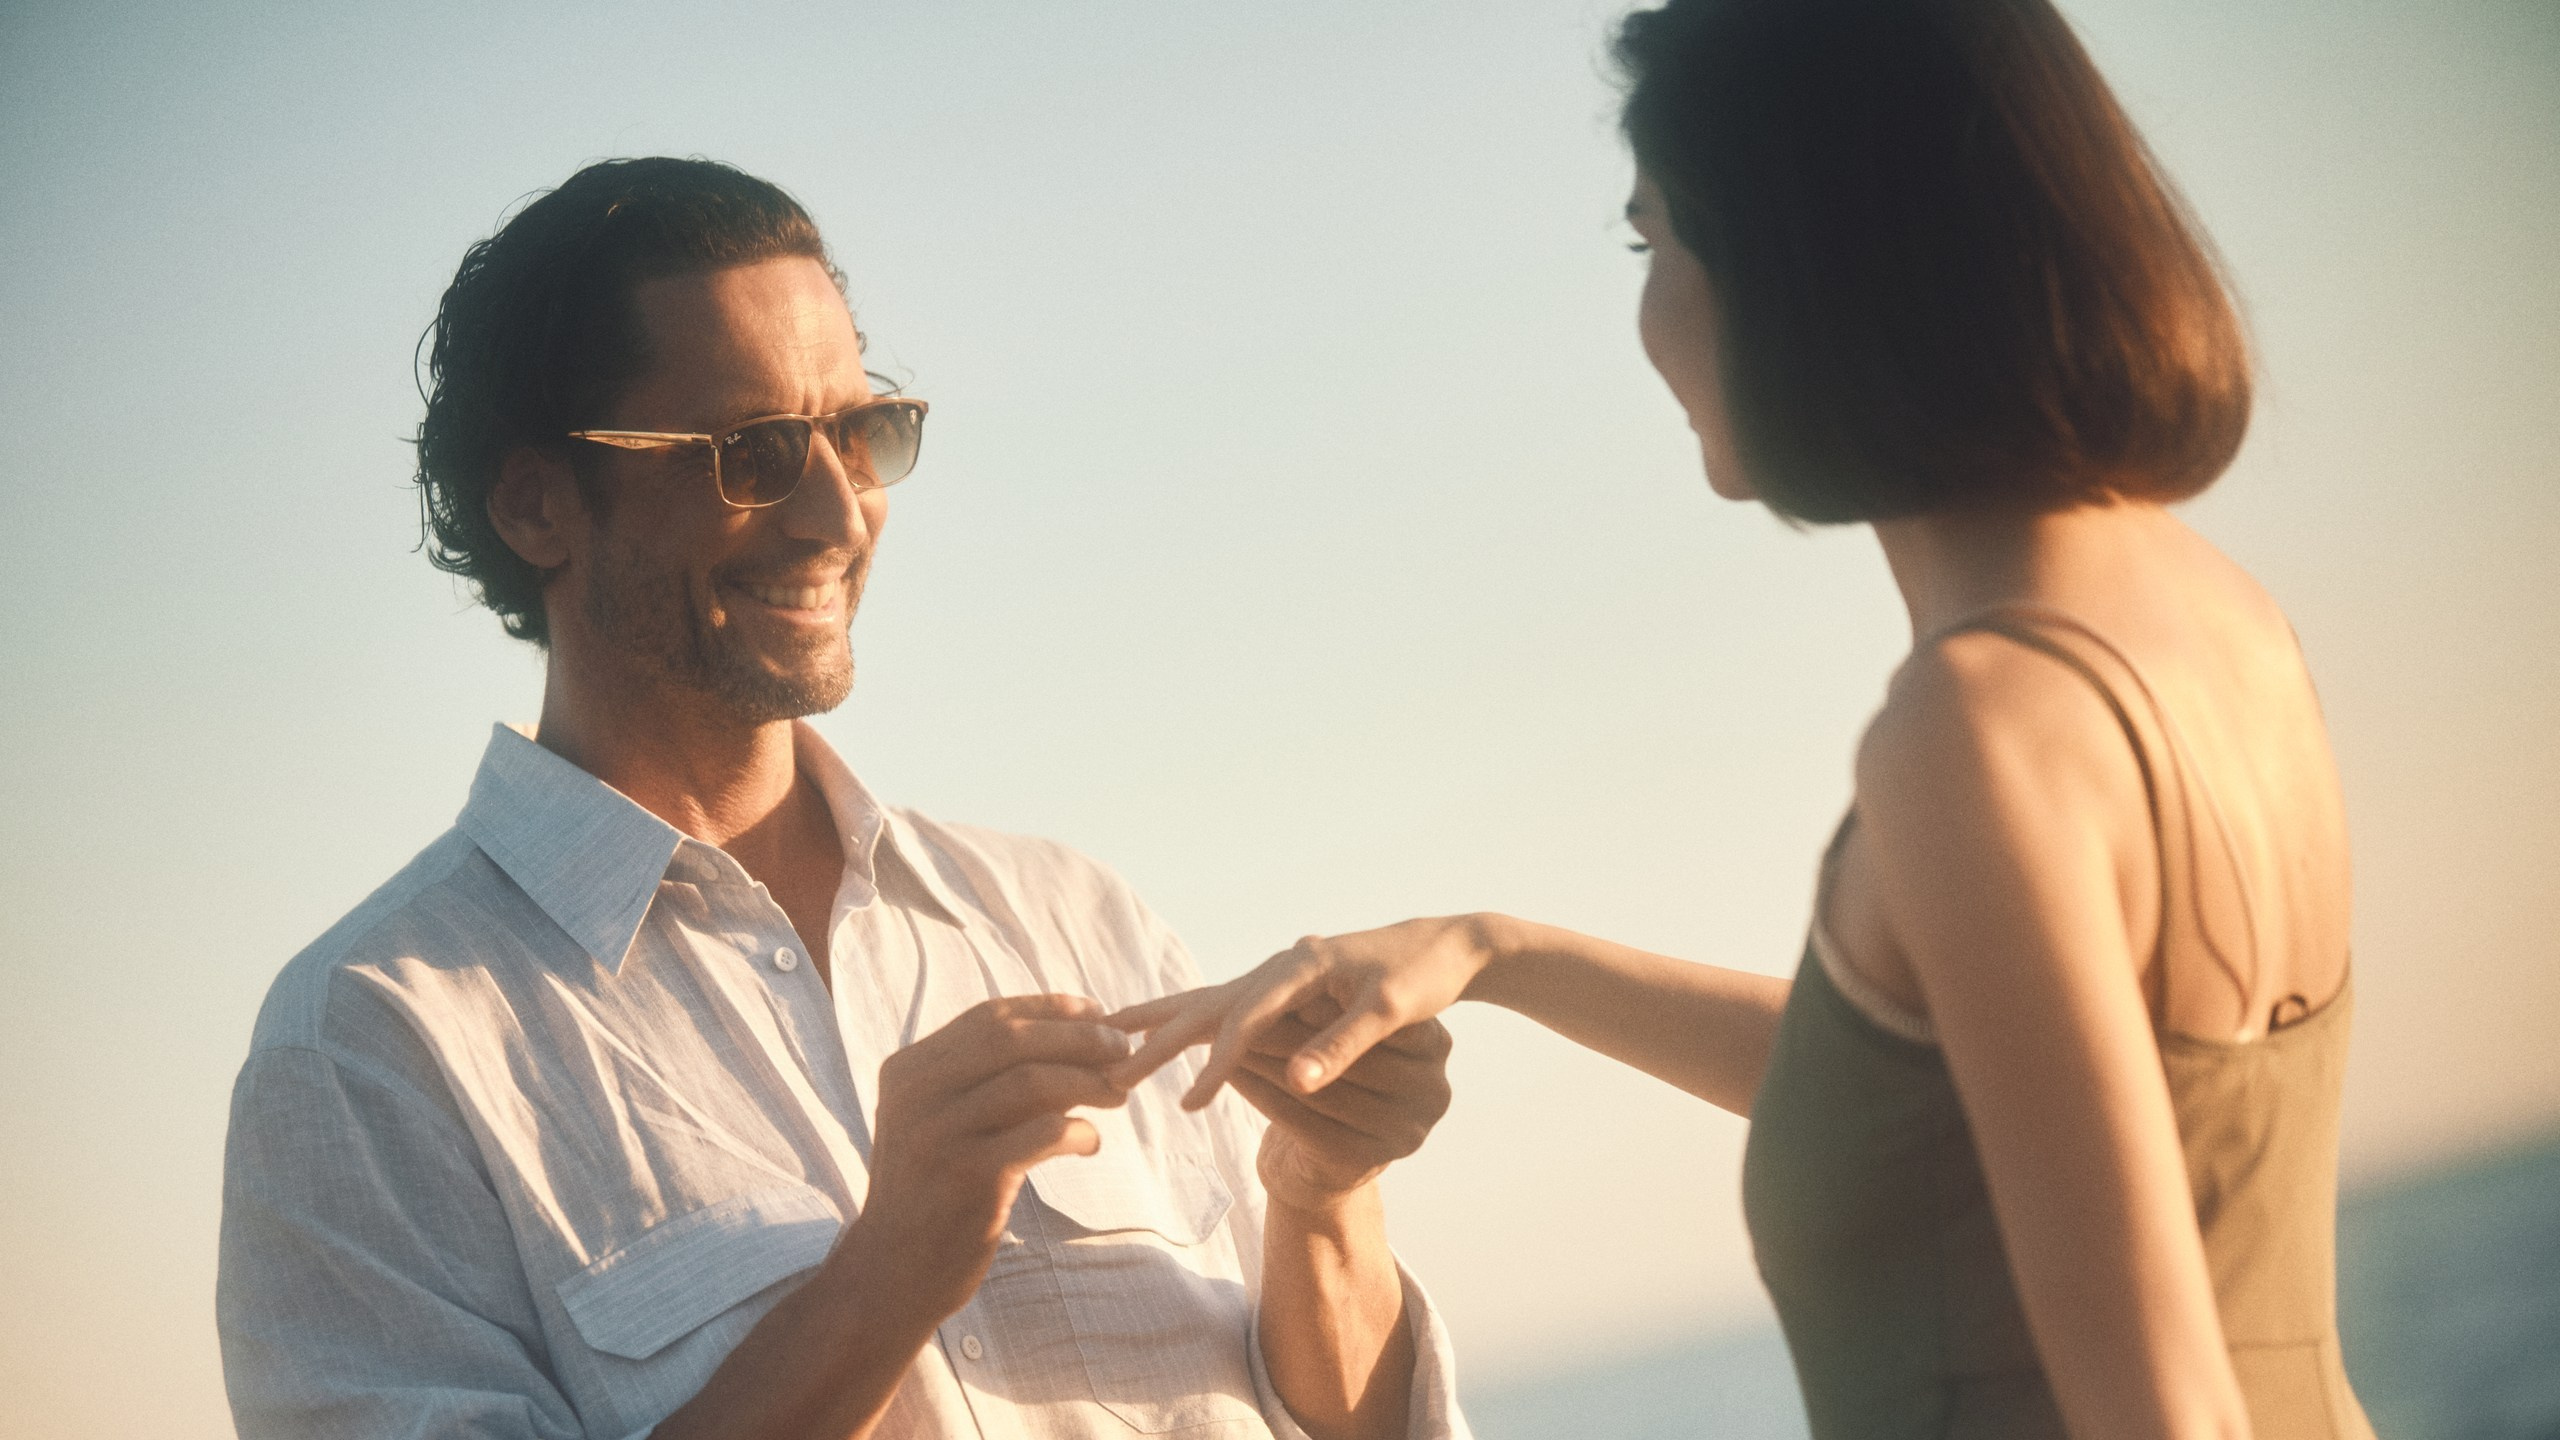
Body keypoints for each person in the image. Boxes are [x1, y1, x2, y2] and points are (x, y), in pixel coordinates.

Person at [1112, 2, 2375, 1437]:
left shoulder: (1974, 726)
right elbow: (1970, 1098)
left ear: (1806, 254)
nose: (1647, 317)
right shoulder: (2220, 620)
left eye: (1654, 245)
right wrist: (1502, 952)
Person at [216, 157, 1467, 1440]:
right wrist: (882, 1281)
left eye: (858, 433)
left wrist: (1322, 1194)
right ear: (540, 502)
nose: (835, 512)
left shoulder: (1071, 914)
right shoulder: (370, 1050)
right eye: (751, 454)